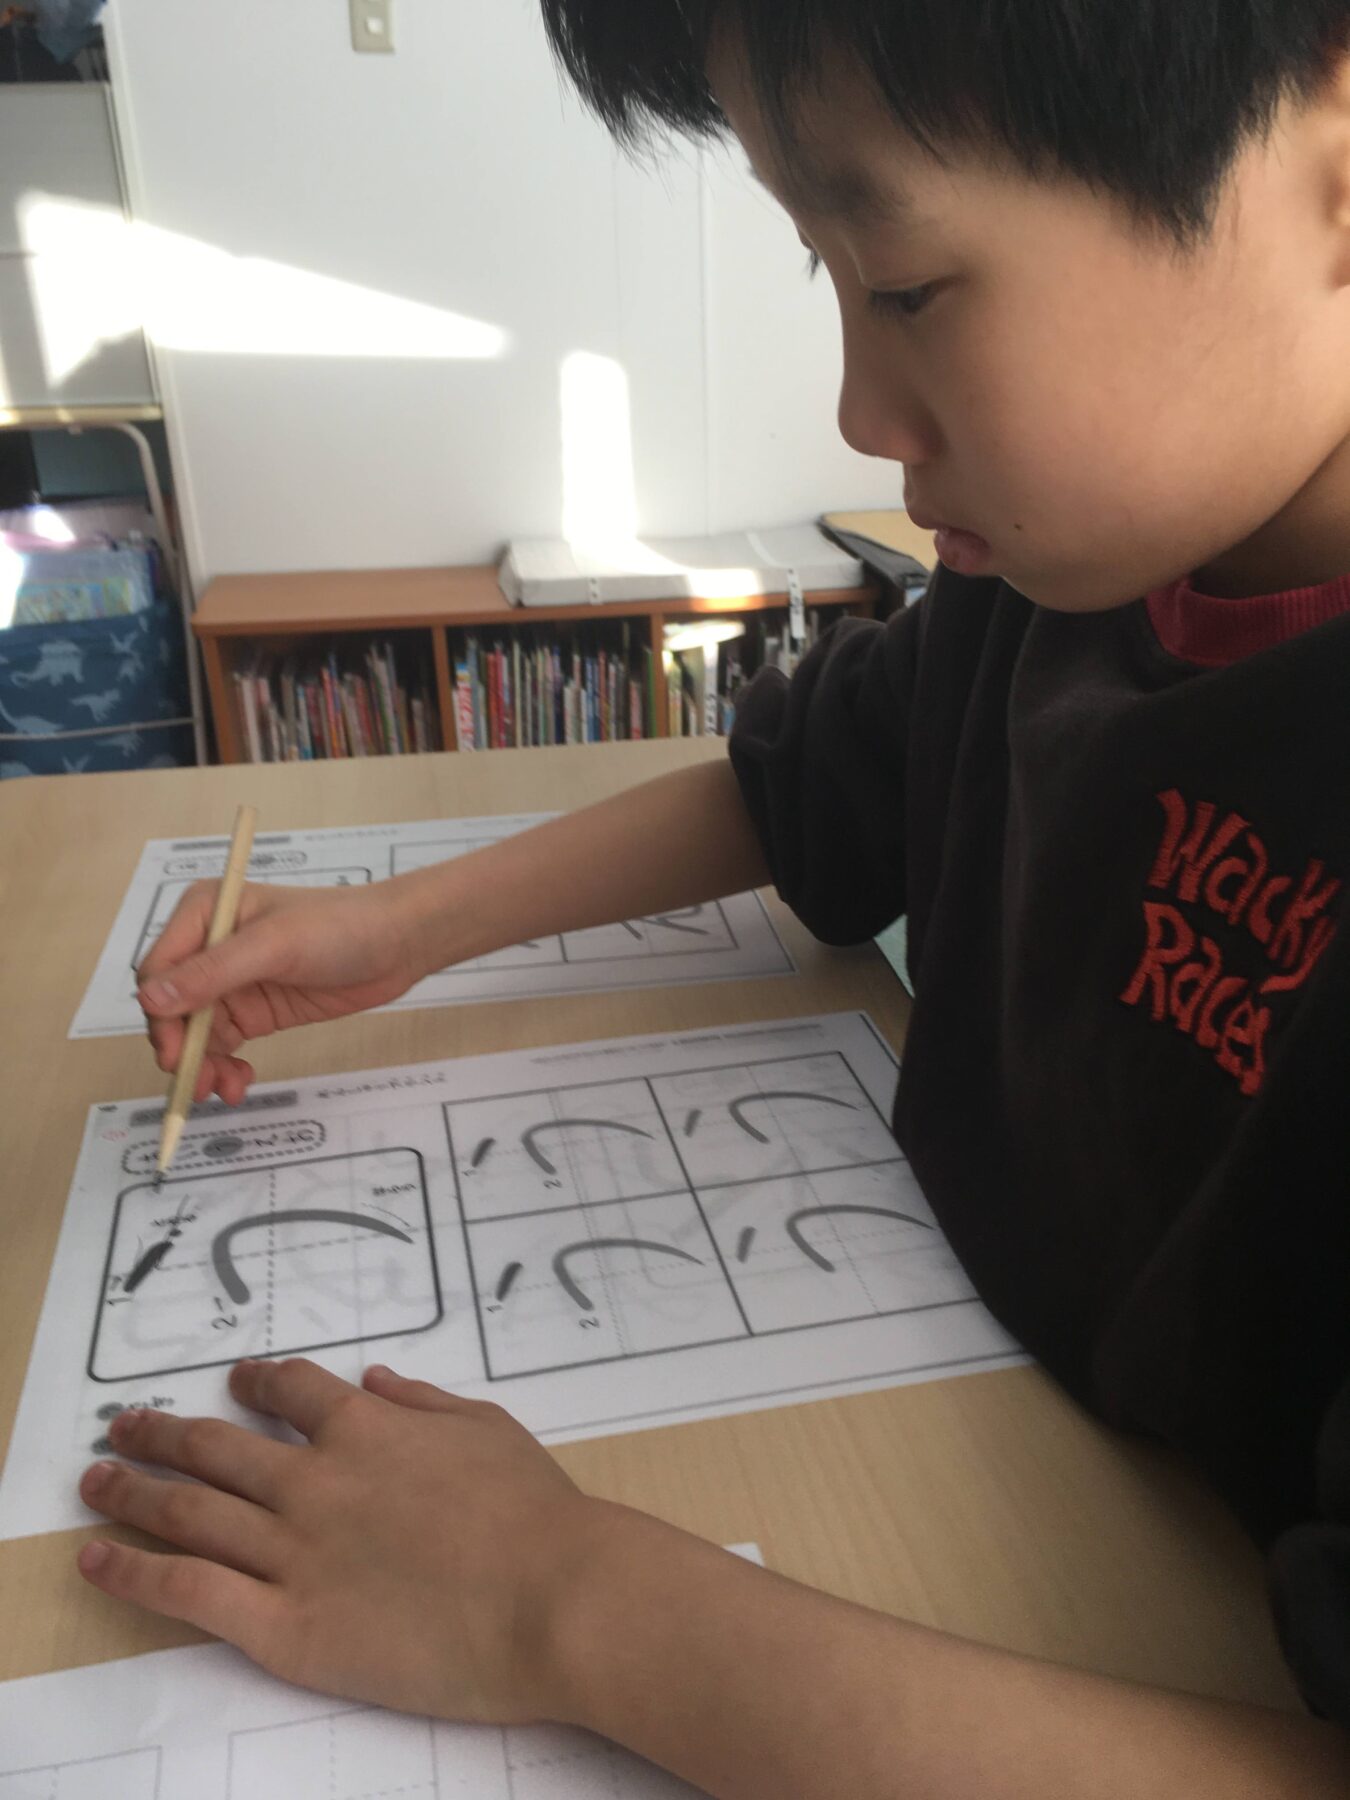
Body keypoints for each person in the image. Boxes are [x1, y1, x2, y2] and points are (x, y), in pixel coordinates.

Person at [76, 3, 1350, 1793]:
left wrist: (557, 1604)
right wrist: (399, 926)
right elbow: (792, 785)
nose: (854, 409)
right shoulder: (1062, 580)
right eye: (820, 273)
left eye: (905, 284)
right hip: (979, 1415)